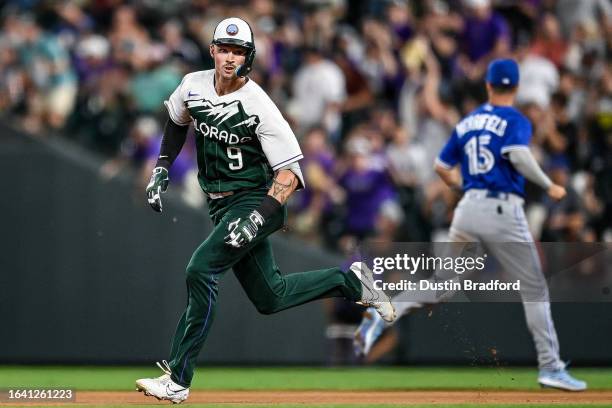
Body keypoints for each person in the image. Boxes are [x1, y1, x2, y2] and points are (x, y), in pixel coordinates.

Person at [134, 17, 395, 404]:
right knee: (270, 297)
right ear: (212, 51)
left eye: (238, 51)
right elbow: (176, 121)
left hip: (256, 200)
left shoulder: (260, 105)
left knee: (200, 270)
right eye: (224, 48)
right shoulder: (193, 84)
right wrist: (161, 168)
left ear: (249, 57)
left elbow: (289, 174)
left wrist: (256, 217)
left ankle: (178, 379)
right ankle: (352, 283)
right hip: (221, 205)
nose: (230, 57)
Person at [353, 59, 587, 392]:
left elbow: (441, 166)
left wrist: (464, 188)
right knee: (535, 288)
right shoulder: (515, 118)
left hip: (468, 209)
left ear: (489, 86)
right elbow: (519, 155)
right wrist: (547, 184)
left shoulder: (468, 123)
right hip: (502, 209)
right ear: (515, 88)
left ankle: (383, 311)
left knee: (444, 284)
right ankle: (550, 367)